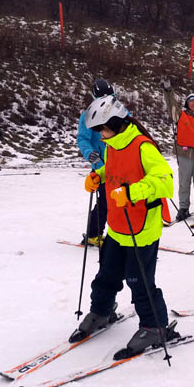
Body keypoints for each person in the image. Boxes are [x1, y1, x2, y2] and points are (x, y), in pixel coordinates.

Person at [70, 95, 178, 360]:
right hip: (118, 226)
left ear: (115, 123)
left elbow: (165, 181)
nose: (100, 135)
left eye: (102, 130)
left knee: (139, 281)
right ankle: (102, 311)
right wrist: (99, 176)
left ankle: (155, 327)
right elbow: (115, 169)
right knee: (107, 274)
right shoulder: (113, 145)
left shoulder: (143, 146)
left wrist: (132, 192)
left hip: (142, 229)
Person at [162, 79, 194, 223]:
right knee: (184, 182)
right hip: (184, 154)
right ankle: (183, 208)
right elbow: (172, 106)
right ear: (187, 104)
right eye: (191, 101)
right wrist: (168, 91)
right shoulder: (180, 116)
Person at [76, 78, 114, 246]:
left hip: (120, 163)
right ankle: (92, 234)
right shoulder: (88, 115)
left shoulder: (120, 111)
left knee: (122, 199)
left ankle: (121, 234)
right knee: (105, 202)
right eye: (101, 98)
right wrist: (90, 154)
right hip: (101, 167)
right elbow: (83, 139)